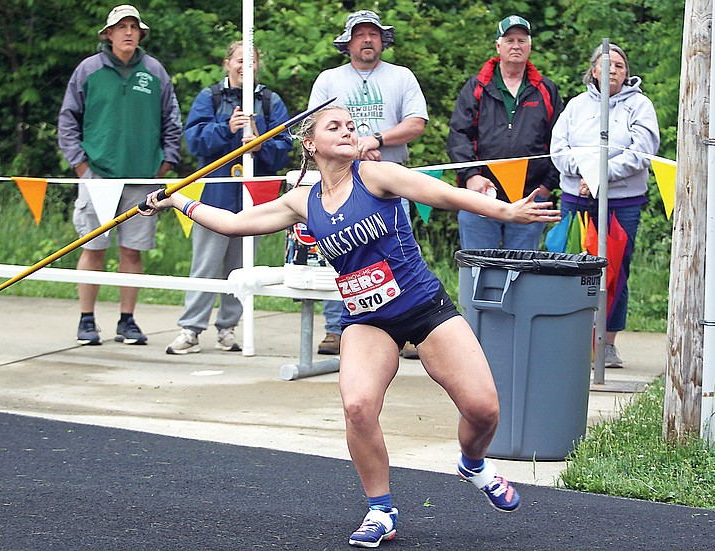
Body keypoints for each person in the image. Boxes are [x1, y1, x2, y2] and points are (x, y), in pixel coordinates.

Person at [139, 106, 559, 548]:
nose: (347, 132)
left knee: (484, 410)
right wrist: (175, 199)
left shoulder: (377, 176)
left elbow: (443, 195)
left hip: (422, 307)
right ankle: (381, 509)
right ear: (310, 144)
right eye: (333, 126)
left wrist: (506, 212)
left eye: (351, 126)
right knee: (357, 406)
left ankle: (473, 464)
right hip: (365, 319)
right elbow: (233, 224)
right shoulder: (302, 200)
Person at [58, 4, 182, 346]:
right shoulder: (88, 70)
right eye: (121, 27)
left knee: (132, 251)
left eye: (133, 26)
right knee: (93, 247)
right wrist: (81, 166)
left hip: (143, 177)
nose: (128, 32)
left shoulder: (155, 70)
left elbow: (172, 120)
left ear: (141, 33)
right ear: (108, 34)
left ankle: (127, 321)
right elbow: (68, 119)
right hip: (98, 175)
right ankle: (86, 320)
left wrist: (165, 164)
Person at [308, 9, 429, 359]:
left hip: (389, 180)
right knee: (340, 254)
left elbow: (416, 123)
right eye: (359, 34)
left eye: (373, 34)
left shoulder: (401, 76)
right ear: (347, 43)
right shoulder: (329, 79)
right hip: (339, 180)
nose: (367, 40)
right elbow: (316, 127)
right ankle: (336, 329)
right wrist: (354, 154)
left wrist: (374, 139)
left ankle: (407, 328)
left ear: (383, 40)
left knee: (399, 255)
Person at [165, 41, 293, 355]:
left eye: (250, 61)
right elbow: (194, 141)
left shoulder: (269, 101)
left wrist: (262, 146)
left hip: (254, 199)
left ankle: (228, 328)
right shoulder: (211, 97)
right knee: (206, 264)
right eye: (238, 60)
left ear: (257, 66)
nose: (243, 66)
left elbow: (284, 146)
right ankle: (191, 329)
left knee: (241, 267)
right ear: (227, 63)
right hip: (214, 196)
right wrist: (226, 128)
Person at [550, 44, 659, 368]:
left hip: (621, 201)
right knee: (570, 265)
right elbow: (558, 149)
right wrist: (584, 174)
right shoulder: (576, 106)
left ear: (626, 73)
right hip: (577, 198)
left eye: (619, 66)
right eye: (606, 64)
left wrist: (601, 176)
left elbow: (642, 151)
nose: (612, 70)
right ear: (593, 71)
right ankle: (570, 337)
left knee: (615, 270)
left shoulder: (639, 105)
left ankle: (607, 343)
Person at [447, 15, 563, 251]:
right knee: (478, 266)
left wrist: (547, 185)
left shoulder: (546, 90)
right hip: (480, 193)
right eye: (510, 40)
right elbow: (459, 134)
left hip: (530, 196)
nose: (516, 46)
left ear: (530, 45)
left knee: (521, 270)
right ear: (498, 46)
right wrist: (470, 175)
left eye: (522, 40)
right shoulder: (476, 87)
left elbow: (560, 140)